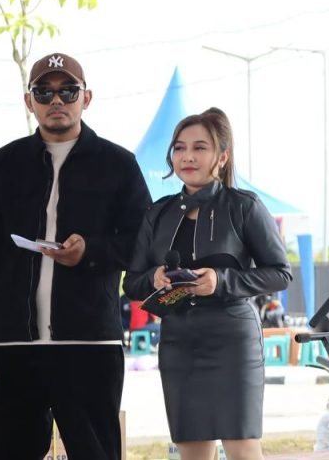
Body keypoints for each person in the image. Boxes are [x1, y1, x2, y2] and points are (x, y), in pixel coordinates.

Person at [0, 52, 152, 460]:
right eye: (44, 92)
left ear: (86, 98)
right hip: (11, 346)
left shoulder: (118, 165)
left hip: (89, 343)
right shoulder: (2, 166)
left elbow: (144, 244)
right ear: (30, 101)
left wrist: (90, 251)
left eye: (68, 91)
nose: (56, 100)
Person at [123, 108, 291, 460]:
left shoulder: (244, 206)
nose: (187, 156)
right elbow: (132, 283)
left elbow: (280, 273)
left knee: (243, 450)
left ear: (222, 156)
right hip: (179, 342)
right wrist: (153, 277)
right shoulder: (157, 213)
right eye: (179, 148)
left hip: (233, 340)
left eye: (199, 147)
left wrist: (221, 280)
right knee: (192, 453)